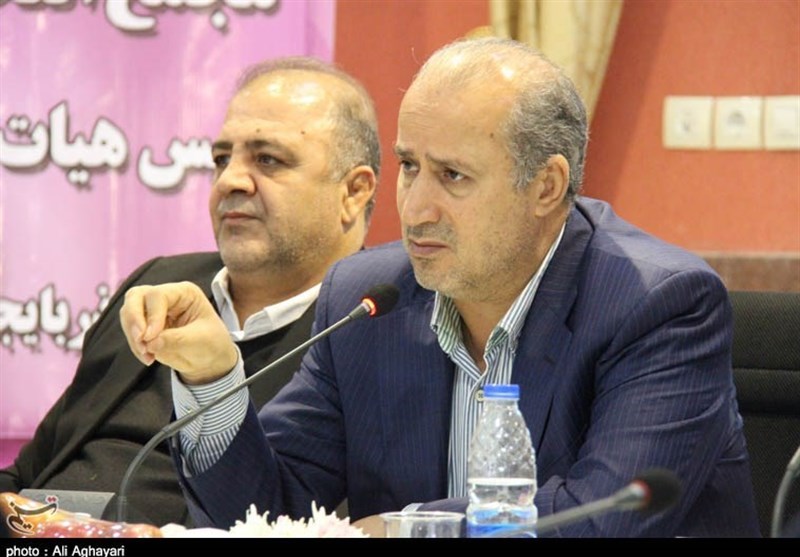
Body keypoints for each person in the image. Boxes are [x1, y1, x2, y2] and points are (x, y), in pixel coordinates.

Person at [120, 38, 760, 537]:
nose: (416, 208)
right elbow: (261, 515)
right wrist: (213, 379)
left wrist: (408, 528)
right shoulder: (367, 299)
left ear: (546, 186)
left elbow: (602, 520)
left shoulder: (657, 304)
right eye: (409, 166)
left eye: (453, 175)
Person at [0, 56, 380, 528]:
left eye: (268, 159)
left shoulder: (370, 330)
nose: (230, 180)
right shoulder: (158, 285)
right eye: (221, 160)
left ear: (354, 192)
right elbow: (27, 476)